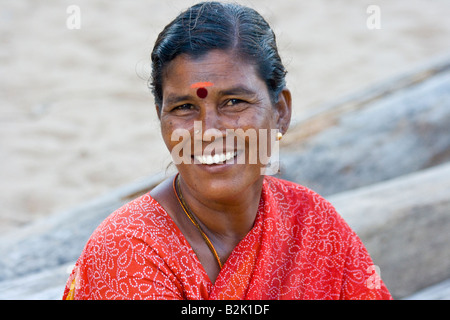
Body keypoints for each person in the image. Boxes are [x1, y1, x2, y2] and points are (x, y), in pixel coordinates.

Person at [63, 1, 392, 300]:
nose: (208, 132)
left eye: (234, 102)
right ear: (161, 117)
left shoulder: (312, 224)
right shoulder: (129, 249)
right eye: (184, 107)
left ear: (280, 112)